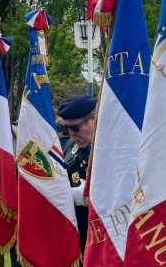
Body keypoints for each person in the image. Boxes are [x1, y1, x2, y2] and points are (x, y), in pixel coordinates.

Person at [58, 94, 97, 254]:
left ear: (93, 119)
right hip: (77, 232)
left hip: (104, 232)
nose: (71, 133)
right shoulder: (69, 147)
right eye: (65, 127)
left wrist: (89, 195)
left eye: (75, 127)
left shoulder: (113, 149)